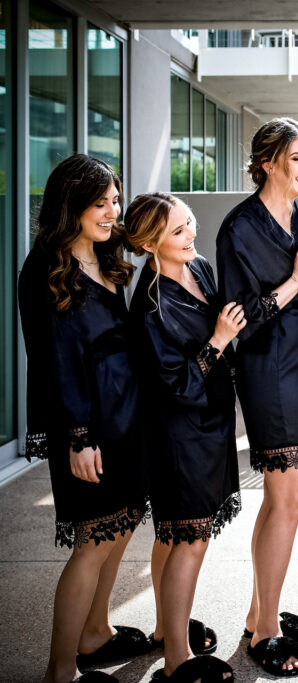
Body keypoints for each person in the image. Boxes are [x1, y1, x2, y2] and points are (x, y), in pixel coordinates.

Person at [18, 154, 151, 683]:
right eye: (100, 203)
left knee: (122, 526)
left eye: (115, 200)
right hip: (88, 428)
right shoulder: (46, 272)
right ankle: (60, 670)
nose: (111, 211)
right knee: (93, 541)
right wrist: (78, 437)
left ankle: (96, 632)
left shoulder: (109, 257)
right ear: (69, 206)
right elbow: (56, 365)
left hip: (128, 422)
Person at [215, 117, 298, 677]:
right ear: (267, 161)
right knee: (290, 500)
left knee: (282, 502)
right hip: (269, 372)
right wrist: (295, 281)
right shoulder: (238, 228)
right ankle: (263, 631)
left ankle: (261, 610)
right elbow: (240, 321)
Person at [123, 193, 241, 682]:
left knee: (174, 534)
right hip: (177, 430)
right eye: (178, 231)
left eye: (189, 223)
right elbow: (174, 384)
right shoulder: (150, 304)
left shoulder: (202, 268)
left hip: (211, 422)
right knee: (189, 538)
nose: (191, 234)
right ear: (151, 243)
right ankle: (177, 661)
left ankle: (163, 629)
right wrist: (218, 339)